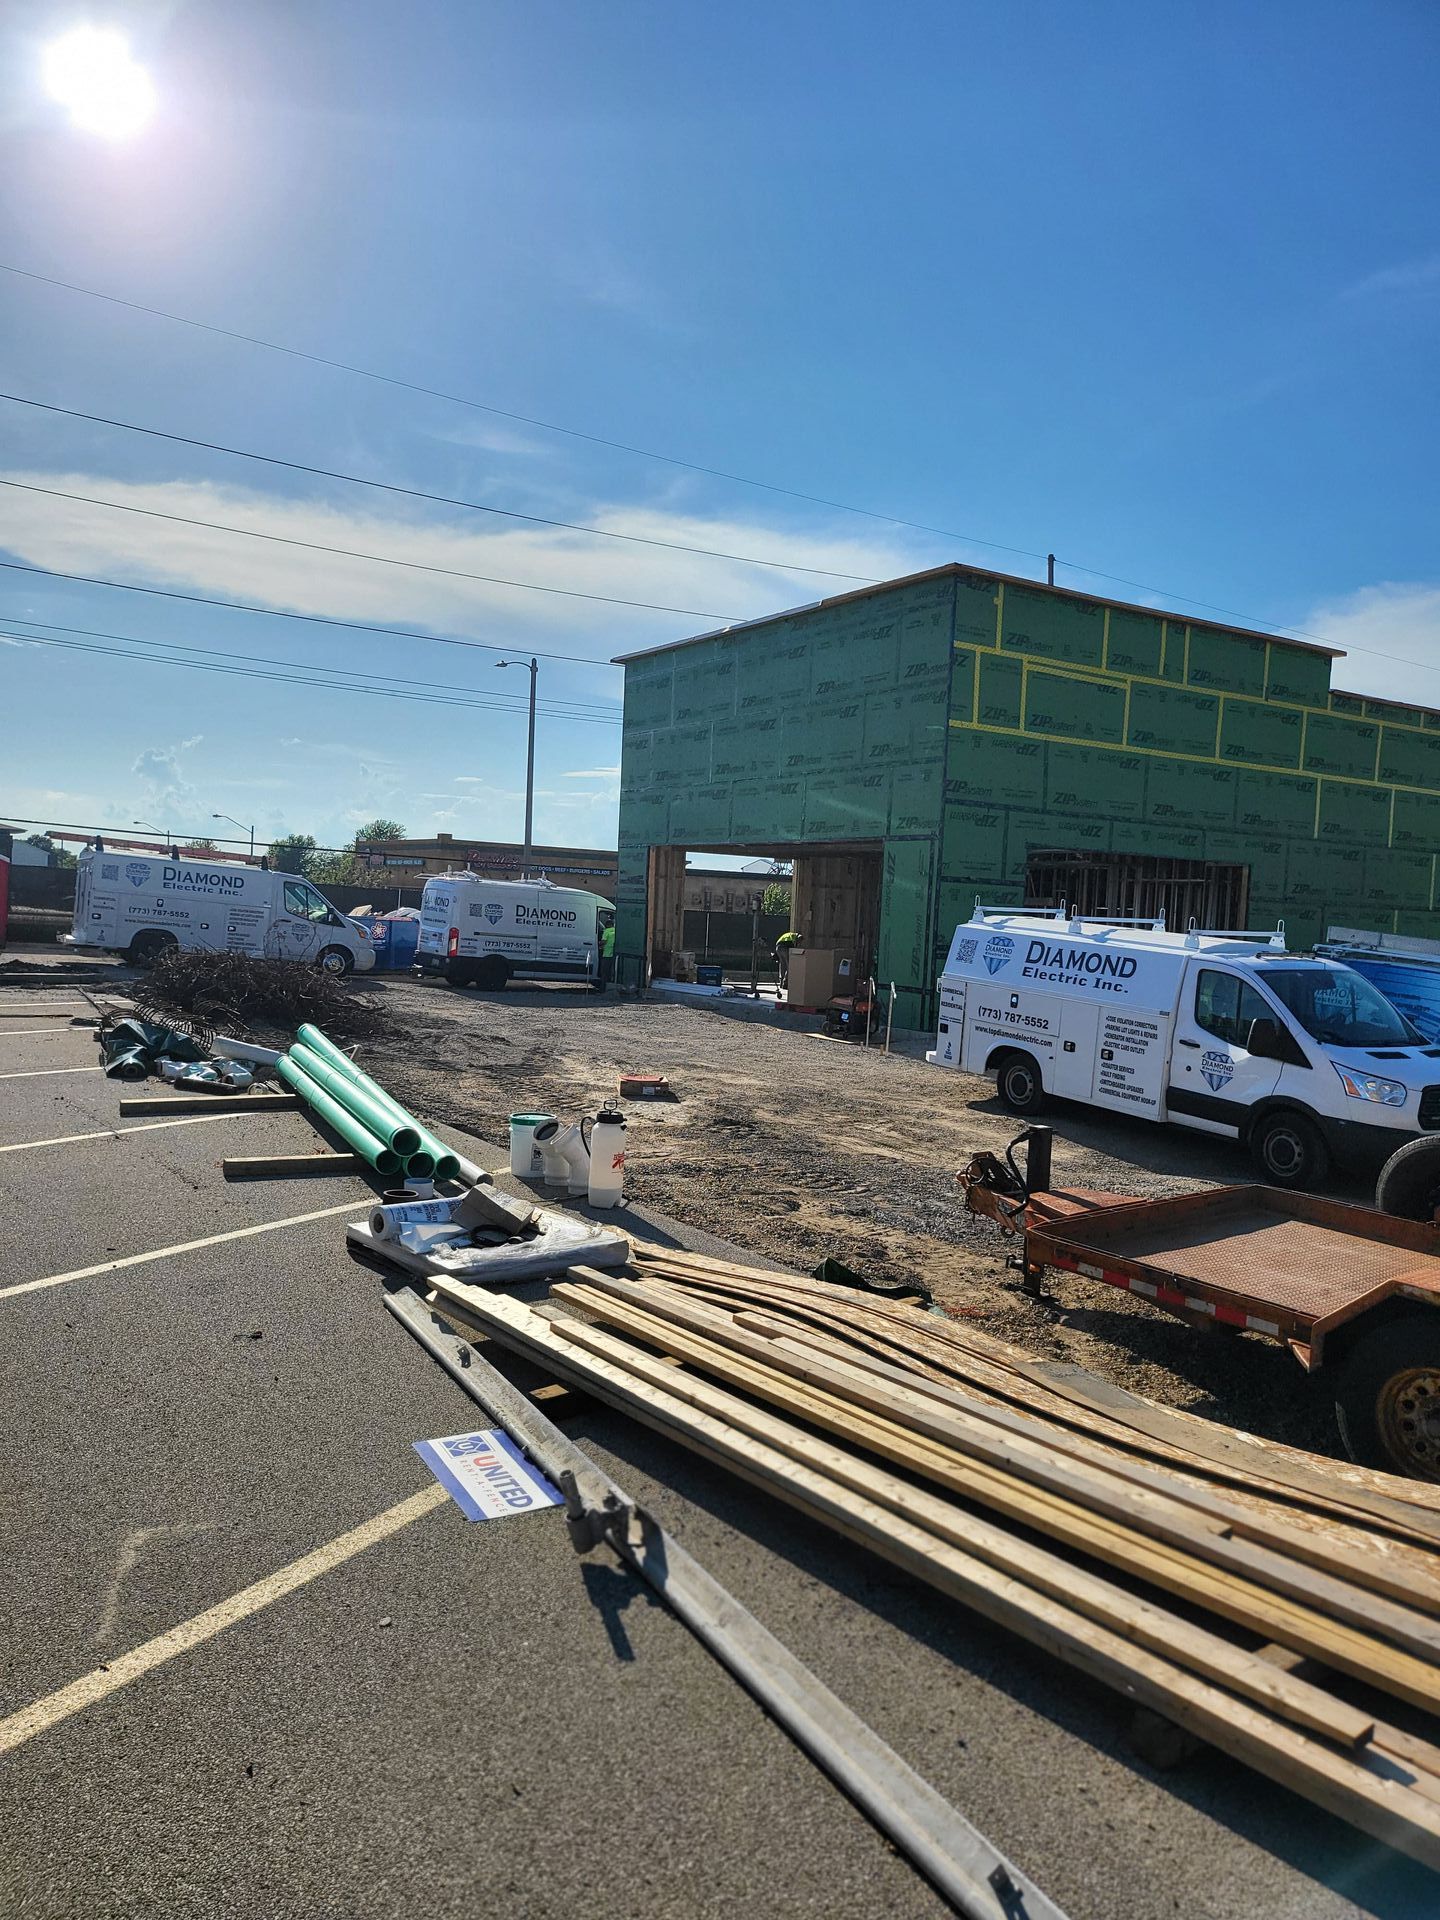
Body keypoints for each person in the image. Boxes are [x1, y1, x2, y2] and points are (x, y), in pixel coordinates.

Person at [600, 917, 615, 983]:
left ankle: (603, 987)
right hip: (613, 954)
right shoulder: (615, 930)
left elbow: (604, 941)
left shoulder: (606, 931)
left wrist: (599, 943)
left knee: (604, 972)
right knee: (611, 971)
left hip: (606, 954)